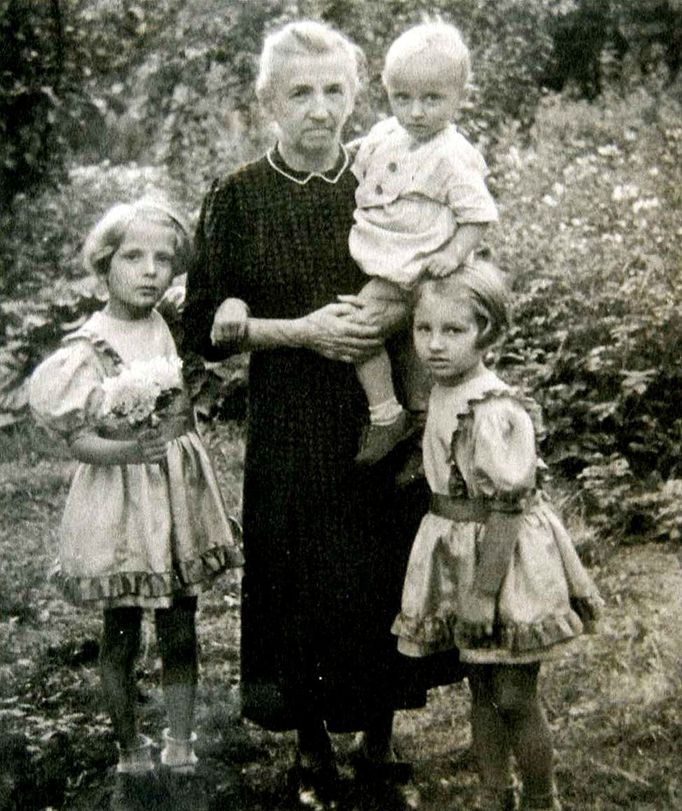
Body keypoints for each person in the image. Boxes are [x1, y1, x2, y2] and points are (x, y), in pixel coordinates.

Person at [182, 19, 454, 807]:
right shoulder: (239, 196)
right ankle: (310, 749)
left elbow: (436, 275)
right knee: (298, 573)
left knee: (380, 566)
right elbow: (202, 329)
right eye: (300, 91)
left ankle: (377, 742)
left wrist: (399, 327)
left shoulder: (385, 175)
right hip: (292, 416)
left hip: (383, 414)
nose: (320, 107)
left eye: (335, 89)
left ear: (356, 93)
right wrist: (299, 330)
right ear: (268, 99)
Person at [29, 199, 243, 806]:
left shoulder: (164, 326)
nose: (150, 271)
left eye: (163, 259)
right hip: (122, 497)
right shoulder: (91, 345)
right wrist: (127, 452)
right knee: (120, 627)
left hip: (174, 495)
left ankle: (180, 742)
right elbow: (78, 440)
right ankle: (129, 749)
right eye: (134, 257)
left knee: (180, 623)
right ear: (105, 263)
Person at [391, 262, 603, 811]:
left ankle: (541, 798)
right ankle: (494, 793)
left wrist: (484, 592)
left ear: (489, 333)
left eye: (453, 331)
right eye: (424, 329)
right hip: (460, 548)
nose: (435, 345)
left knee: (513, 693)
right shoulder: (443, 390)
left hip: (502, 559)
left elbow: (508, 507)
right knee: (480, 686)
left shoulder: (495, 408)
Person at [349, 21, 498, 465]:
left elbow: (478, 215)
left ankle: (386, 415)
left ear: (459, 98)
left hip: (417, 270)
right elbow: (361, 165)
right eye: (403, 98)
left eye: (432, 99)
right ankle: (421, 434)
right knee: (415, 362)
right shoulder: (386, 134)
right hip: (386, 260)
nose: (416, 112)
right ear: (389, 93)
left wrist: (452, 252)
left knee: (358, 331)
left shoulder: (453, 155)